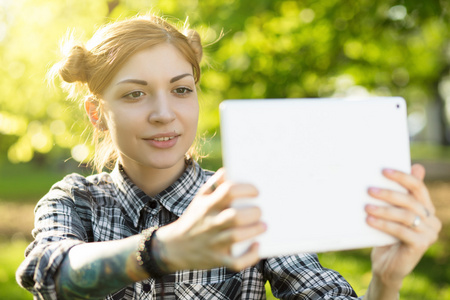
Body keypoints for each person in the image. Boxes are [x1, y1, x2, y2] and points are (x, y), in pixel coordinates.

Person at [16, 13, 441, 300]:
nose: (164, 114)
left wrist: (386, 280)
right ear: (97, 112)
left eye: (182, 89)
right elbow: (48, 275)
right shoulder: (74, 200)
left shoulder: (249, 198)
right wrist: (166, 249)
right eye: (135, 94)